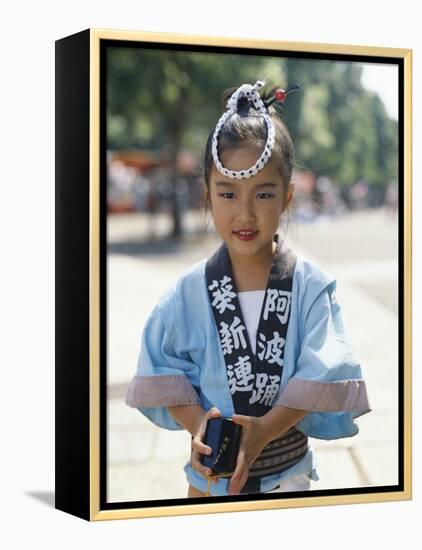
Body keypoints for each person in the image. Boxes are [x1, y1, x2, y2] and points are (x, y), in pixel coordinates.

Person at [125, 79, 371, 498]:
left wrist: (265, 431)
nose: (245, 212)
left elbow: (324, 367)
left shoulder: (310, 287)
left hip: (287, 473)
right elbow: (163, 367)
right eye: (227, 193)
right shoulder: (188, 292)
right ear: (207, 195)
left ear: (288, 197)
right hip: (210, 478)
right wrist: (198, 422)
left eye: (263, 194)